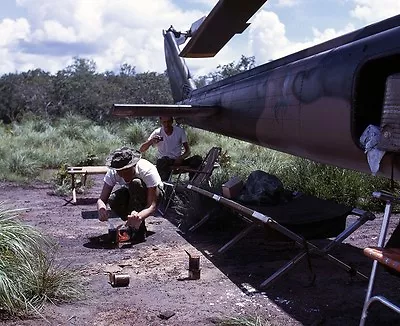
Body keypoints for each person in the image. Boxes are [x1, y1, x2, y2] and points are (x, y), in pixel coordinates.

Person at [97, 147, 163, 243]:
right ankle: (132, 224)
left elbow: (152, 206)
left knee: (135, 183)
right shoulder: (113, 172)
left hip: (155, 194)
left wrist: (139, 216)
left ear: (134, 165)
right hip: (133, 193)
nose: (124, 175)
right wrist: (101, 208)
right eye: (120, 172)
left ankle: (137, 229)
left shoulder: (147, 170)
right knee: (113, 199)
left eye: (127, 171)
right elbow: (102, 199)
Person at [139, 116, 202, 181]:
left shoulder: (179, 131)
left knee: (197, 159)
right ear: (161, 122)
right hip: (165, 161)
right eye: (164, 122)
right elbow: (142, 149)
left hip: (177, 160)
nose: (166, 124)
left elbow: (188, 151)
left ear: (172, 121)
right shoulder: (157, 132)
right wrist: (151, 141)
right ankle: (164, 184)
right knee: (162, 161)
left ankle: (193, 183)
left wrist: (181, 158)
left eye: (168, 122)